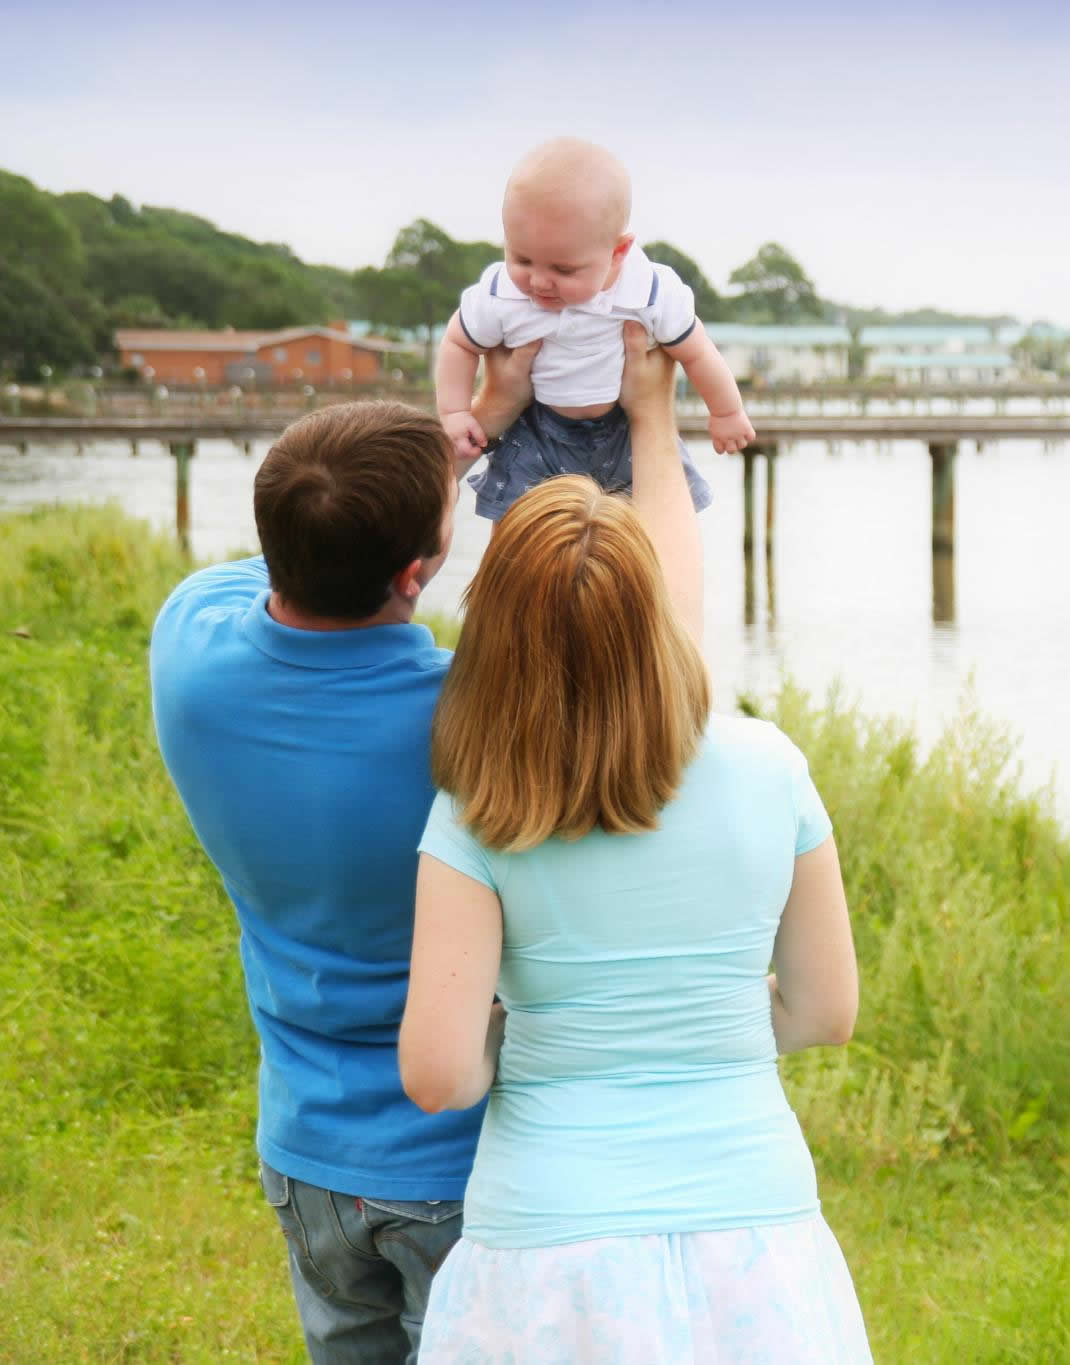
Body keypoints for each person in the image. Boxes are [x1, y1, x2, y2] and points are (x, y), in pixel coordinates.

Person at [401, 326, 872, 1362]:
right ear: (655, 619)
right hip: (754, 1223)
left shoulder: (479, 810)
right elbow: (824, 1012)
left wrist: (538, 1032)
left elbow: (439, 1075)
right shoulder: (768, 768)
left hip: (550, 1236)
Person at [149, 344, 541, 1364]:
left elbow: (303, 551)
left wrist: (424, 473)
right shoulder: (476, 718)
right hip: (459, 1153)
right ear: (417, 572)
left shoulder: (186, 650)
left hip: (305, 1150)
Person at [435, 136, 756, 524]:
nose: (539, 281)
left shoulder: (648, 290)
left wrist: (726, 411)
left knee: (652, 527)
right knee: (520, 529)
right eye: (522, 258)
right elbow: (458, 342)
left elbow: (697, 351)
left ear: (617, 253)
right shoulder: (500, 295)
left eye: (563, 269)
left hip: (623, 431)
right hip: (538, 426)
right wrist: (454, 411)